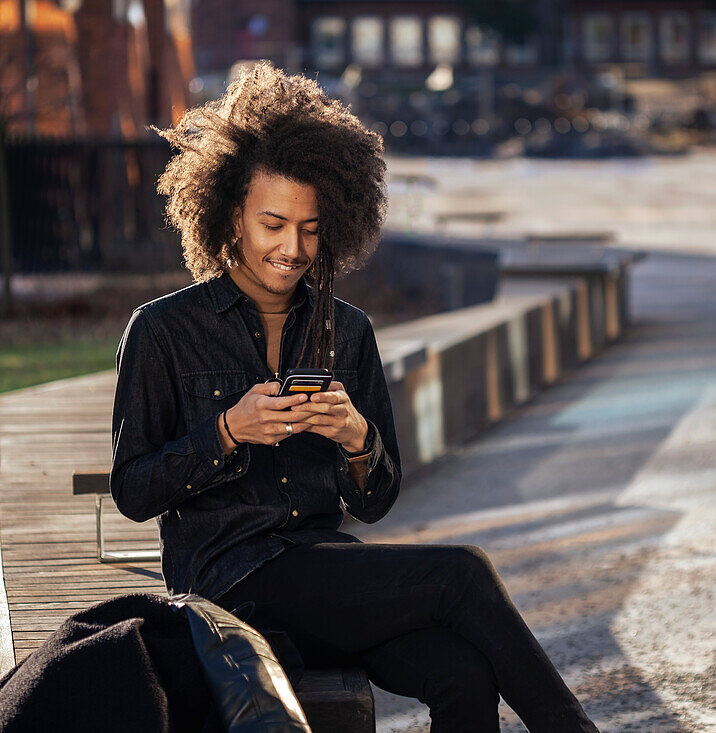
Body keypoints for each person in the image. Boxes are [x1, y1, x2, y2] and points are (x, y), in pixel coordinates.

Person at [110, 62, 596, 733]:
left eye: (310, 229)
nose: (292, 248)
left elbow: (375, 502)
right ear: (228, 216)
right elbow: (133, 490)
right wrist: (225, 431)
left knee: (463, 671)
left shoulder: (349, 330)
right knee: (462, 573)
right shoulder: (162, 330)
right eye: (273, 224)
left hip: (325, 577)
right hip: (227, 585)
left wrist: (356, 439)